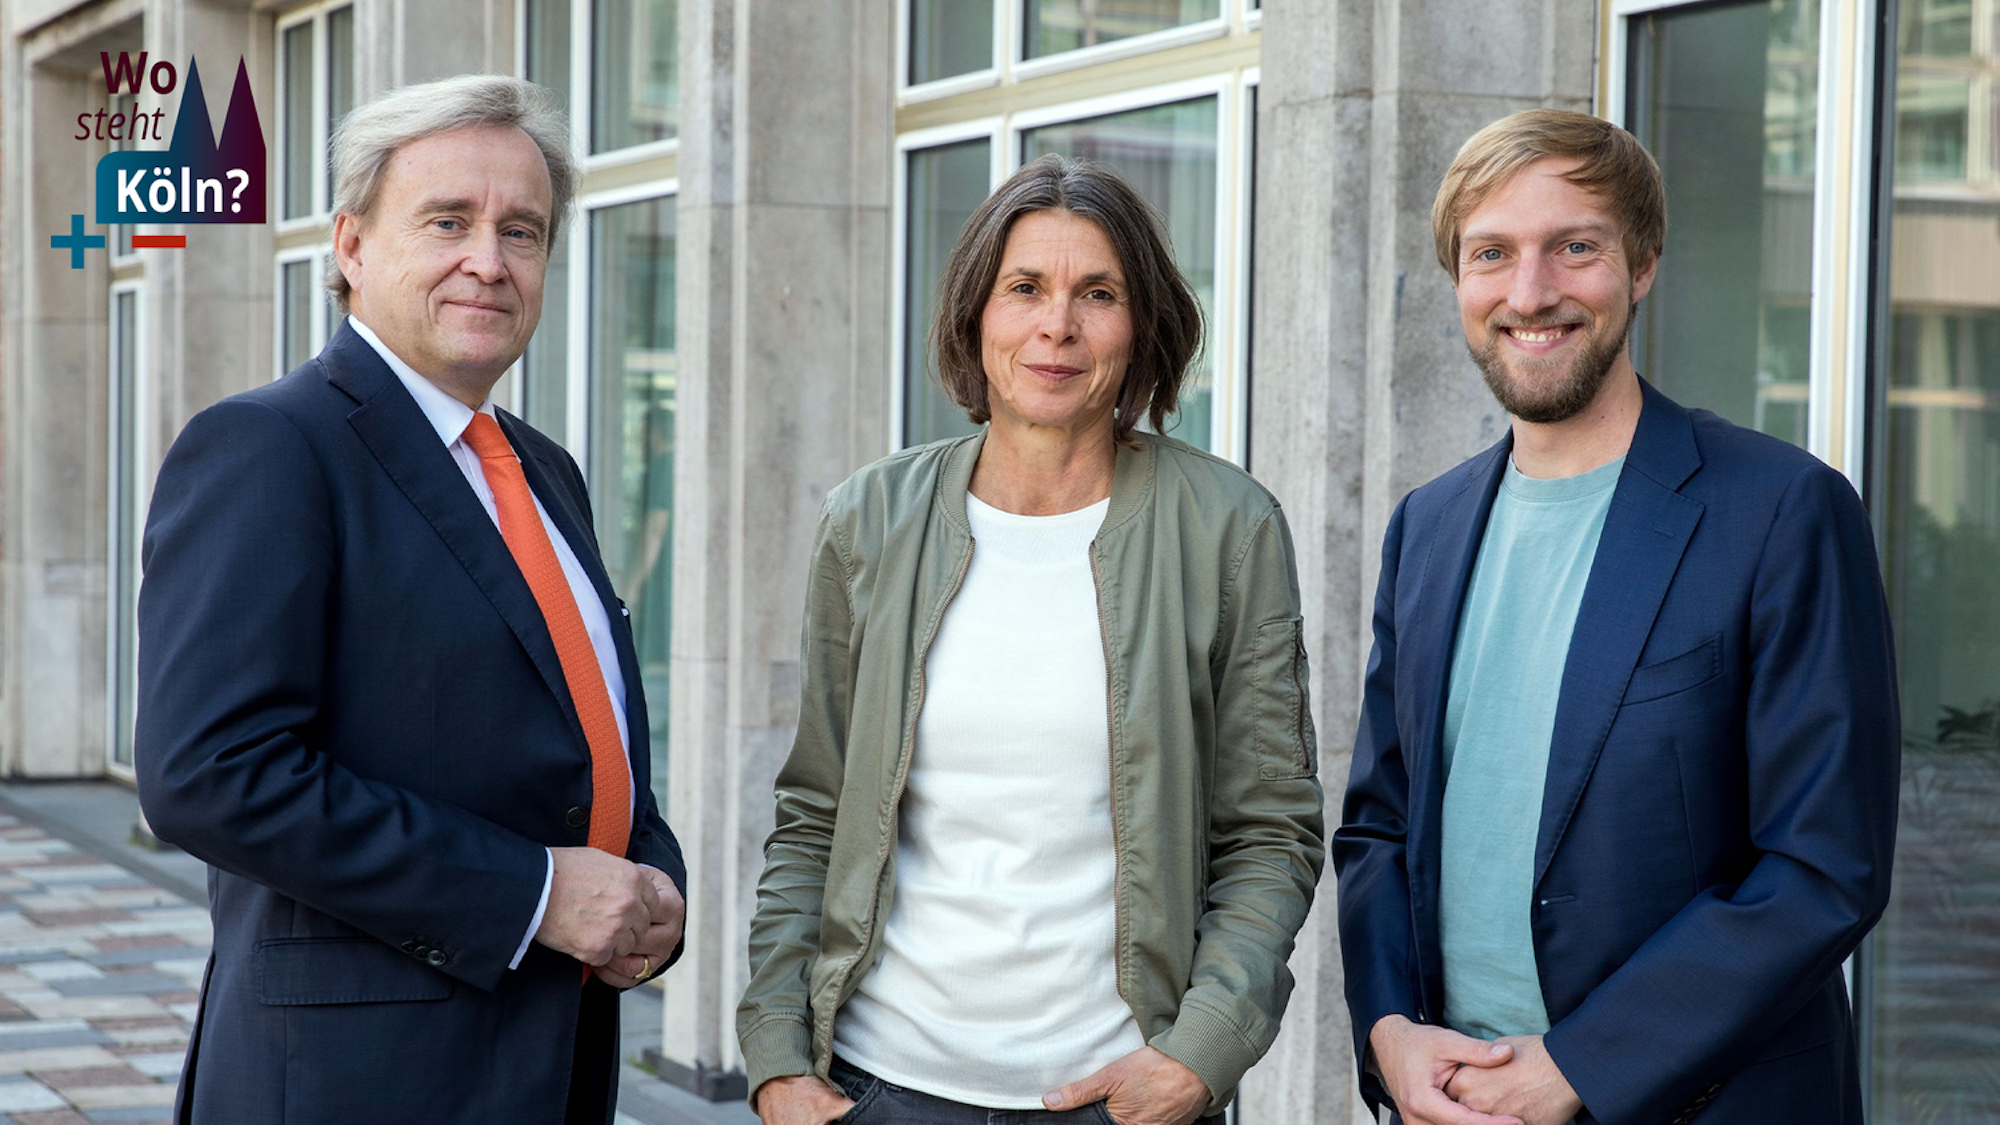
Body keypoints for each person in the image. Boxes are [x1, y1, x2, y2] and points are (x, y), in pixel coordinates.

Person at [135, 75, 685, 1125]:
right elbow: (209, 774)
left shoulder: (541, 469)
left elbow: (575, 724)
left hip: (549, 1058)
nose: (489, 259)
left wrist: (648, 879)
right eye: (447, 221)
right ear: (349, 245)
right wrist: (532, 894)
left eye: (521, 231)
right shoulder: (272, 447)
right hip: (361, 1076)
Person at [1333, 108, 1900, 1125]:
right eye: (1490, 254)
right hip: (1456, 1102)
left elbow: (1821, 867)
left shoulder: (1777, 512)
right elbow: (1378, 826)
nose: (1529, 292)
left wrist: (1583, 1064)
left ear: (1639, 266)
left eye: (1573, 248)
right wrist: (1388, 1033)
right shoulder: (1426, 527)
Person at [737, 154, 1326, 1125]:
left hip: (1118, 1096)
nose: (1057, 325)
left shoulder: (1227, 527)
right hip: (878, 1085)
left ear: (1139, 331)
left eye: (1097, 293)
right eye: (1025, 289)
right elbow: (814, 810)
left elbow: (1268, 831)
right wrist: (776, 1061)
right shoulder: (870, 519)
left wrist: (1198, 1054)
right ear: (978, 314)